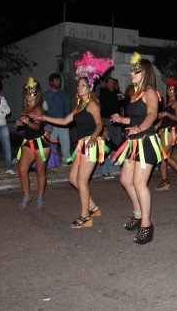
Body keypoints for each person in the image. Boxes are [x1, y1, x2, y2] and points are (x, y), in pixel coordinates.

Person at [38, 52, 113, 228]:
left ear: (90, 87)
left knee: (81, 180)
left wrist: (94, 138)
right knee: (73, 178)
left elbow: (99, 125)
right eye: (78, 85)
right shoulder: (78, 107)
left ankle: (85, 216)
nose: (79, 87)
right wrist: (44, 118)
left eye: (83, 85)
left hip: (91, 144)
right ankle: (93, 206)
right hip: (81, 145)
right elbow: (64, 121)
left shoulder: (93, 104)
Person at [111, 52, 164, 244]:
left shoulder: (150, 91)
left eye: (136, 71)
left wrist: (138, 128)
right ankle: (138, 213)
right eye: (132, 70)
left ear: (145, 73)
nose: (132, 73)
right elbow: (135, 118)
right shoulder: (135, 94)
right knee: (126, 181)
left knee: (139, 183)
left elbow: (152, 115)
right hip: (133, 144)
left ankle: (147, 225)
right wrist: (121, 119)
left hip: (146, 142)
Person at [14, 78, 51, 210]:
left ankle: (40, 198)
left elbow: (36, 127)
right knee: (22, 169)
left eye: (31, 93)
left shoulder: (39, 109)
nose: (28, 96)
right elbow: (22, 123)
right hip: (28, 142)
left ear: (36, 94)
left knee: (40, 171)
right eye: (26, 93)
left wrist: (27, 122)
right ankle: (26, 195)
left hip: (41, 143)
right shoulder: (25, 108)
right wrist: (19, 123)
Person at [155, 77, 177, 190]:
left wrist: (165, 113)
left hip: (171, 132)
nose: (170, 90)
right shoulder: (166, 102)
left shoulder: (176, 103)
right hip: (165, 130)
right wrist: (157, 125)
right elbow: (165, 119)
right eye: (168, 88)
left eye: (172, 89)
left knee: (162, 157)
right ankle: (170, 180)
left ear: (176, 91)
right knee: (166, 157)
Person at [43, 73, 72, 164]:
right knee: (52, 143)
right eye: (56, 80)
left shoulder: (63, 94)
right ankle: (53, 161)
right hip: (50, 123)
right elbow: (43, 109)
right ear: (51, 82)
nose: (58, 82)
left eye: (59, 80)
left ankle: (67, 160)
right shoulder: (46, 95)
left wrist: (68, 120)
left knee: (66, 142)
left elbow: (67, 108)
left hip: (62, 122)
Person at [98, 76, 124, 179]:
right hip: (107, 119)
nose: (113, 84)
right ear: (106, 83)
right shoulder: (103, 92)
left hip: (117, 120)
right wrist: (116, 95)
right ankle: (104, 167)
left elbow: (123, 102)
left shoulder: (117, 92)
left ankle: (111, 165)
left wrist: (119, 94)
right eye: (111, 82)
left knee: (116, 142)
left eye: (114, 82)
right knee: (106, 143)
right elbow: (107, 101)